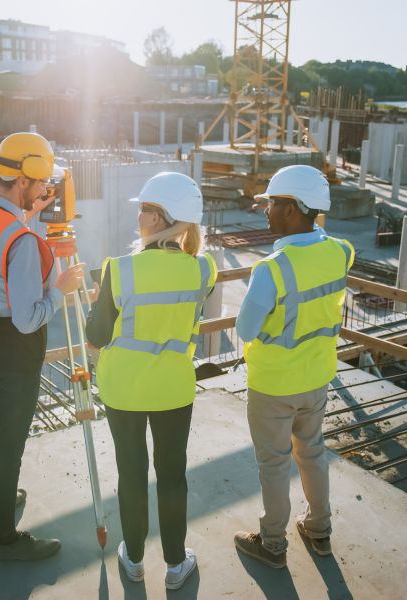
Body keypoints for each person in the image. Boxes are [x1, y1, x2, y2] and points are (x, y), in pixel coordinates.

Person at [0, 132, 85, 561]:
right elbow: (28, 318)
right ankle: (6, 538)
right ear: (25, 177)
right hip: (14, 355)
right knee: (10, 442)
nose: (48, 189)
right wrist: (61, 290)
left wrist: (27, 216)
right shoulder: (24, 242)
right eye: (43, 182)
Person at [86, 172, 217, 590]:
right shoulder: (203, 270)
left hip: (123, 391)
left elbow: (96, 336)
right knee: (173, 473)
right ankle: (177, 564)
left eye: (143, 208)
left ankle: (135, 558)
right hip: (175, 389)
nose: (138, 215)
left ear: (159, 218)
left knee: (132, 471)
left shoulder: (119, 270)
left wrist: (98, 301)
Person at [233, 165, 354, 567]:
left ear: (291, 209)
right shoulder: (341, 252)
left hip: (273, 386)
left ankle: (272, 544)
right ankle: (319, 529)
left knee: (274, 464)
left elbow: (247, 327)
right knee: (313, 453)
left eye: (271, 203)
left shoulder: (272, 269)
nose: (265, 210)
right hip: (317, 378)